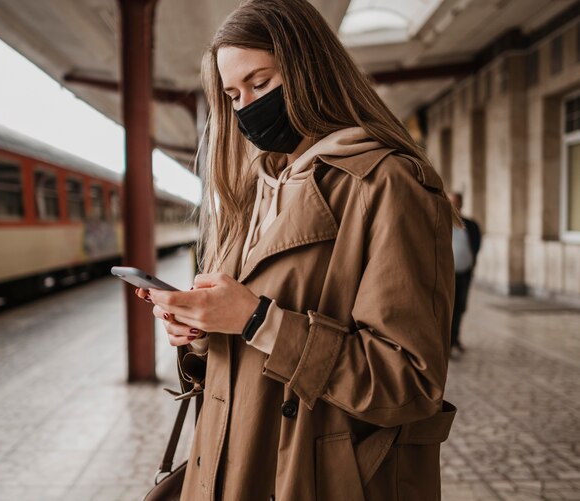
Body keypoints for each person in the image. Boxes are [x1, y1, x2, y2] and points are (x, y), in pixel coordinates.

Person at [136, 1, 458, 499]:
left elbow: (408, 383)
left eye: (261, 84)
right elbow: (244, 349)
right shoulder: (251, 189)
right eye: (233, 94)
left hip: (317, 477)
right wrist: (202, 329)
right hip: (228, 467)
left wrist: (256, 320)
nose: (246, 107)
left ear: (310, 69)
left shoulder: (388, 184)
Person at [448, 192, 481, 354]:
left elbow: (476, 244)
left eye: (456, 203)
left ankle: (455, 339)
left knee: (461, 307)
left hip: (465, 273)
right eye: (450, 202)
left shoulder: (470, 224)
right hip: (447, 276)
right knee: (448, 309)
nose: (453, 206)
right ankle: (447, 342)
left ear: (461, 205)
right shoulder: (441, 223)